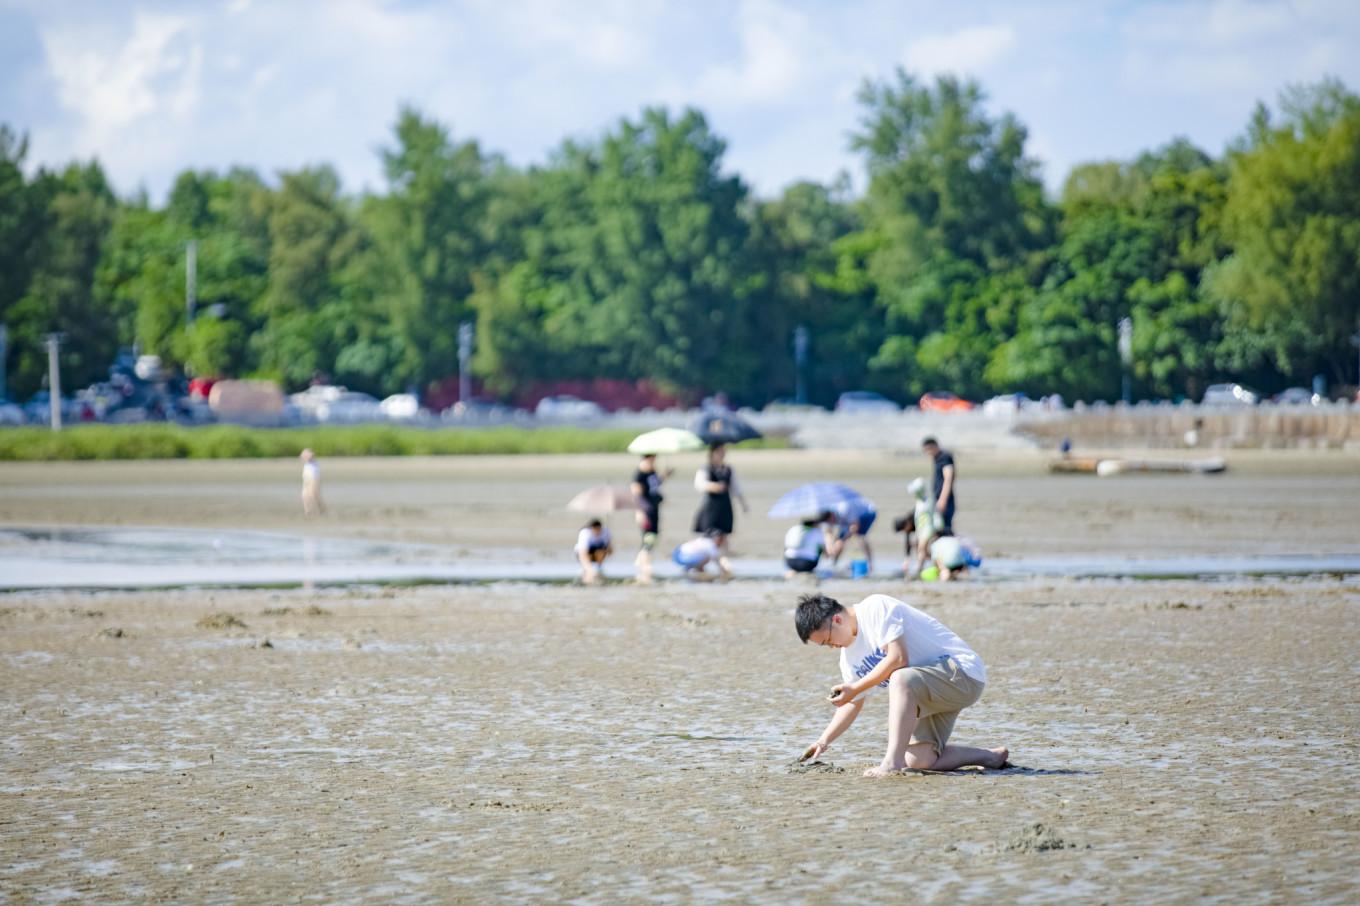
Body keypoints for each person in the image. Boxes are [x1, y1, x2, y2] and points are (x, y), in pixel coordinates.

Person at [794, 592, 1008, 777]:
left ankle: (891, 763)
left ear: (837, 620)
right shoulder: (848, 659)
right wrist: (823, 741)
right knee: (919, 760)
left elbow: (898, 658)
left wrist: (856, 688)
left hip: (961, 673)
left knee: (899, 677)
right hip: (930, 690)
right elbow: (852, 702)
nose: (832, 647)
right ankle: (990, 757)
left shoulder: (874, 608)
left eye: (828, 640)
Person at [630, 453, 673, 585]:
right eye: (652, 460)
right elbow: (636, 494)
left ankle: (641, 561)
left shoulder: (652, 472)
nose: (653, 462)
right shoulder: (639, 474)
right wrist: (639, 512)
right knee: (649, 536)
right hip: (645, 510)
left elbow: (655, 485)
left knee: (654, 535)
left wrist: (665, 475)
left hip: (654, 509)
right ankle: (644, 563)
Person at [693, 444, 749, 538]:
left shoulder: (728, 469)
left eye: (723, 452)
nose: (722, 454)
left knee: (723, 535)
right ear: (712, 453)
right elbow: (699, 484)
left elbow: (736, 488)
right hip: (710, 506)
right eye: (719, 452)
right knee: (708, 534)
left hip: (725, 506)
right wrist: (714, 486)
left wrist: (743, 504)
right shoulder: (706, 468)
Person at [825, 497, 877, 574]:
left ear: (832, 516)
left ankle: (870, 564)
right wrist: (830, 547)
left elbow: (855, 527)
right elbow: (828, 532)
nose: (832, 523)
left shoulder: (844, 510)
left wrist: (842, 540)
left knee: (860, 536)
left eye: (832, 521)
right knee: (839, 539)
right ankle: (833, 562)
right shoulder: (827, 515)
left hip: (867, 512)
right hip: (849, 517)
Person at [921, 437, 957, 534]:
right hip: (938, 498)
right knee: (938, 528)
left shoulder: (944, 457)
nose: (927, 453)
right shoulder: (937, 458)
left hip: (945, 499)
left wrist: (943, 500)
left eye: (928, 450)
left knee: (945, 529)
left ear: (933, 446)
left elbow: (948, 478)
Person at [574, 519, 613, 585]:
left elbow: (610, 549)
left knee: (600, 551)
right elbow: (582, 553)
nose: (597, 532)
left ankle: (597, 570)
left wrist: (606, 552)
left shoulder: (606, 532)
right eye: (595, 530)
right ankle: (587, 576)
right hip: (582, 553)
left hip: (598, 553)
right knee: (589, 571)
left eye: (599, 530)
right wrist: (589, 569)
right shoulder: (585, 533)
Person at [299, 448, 323, 517]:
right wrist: (303, 455)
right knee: (304, 495)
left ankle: (321, 508)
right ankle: (307, 511)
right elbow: (301, 458)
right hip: (306, 477)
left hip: (314, 477)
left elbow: (310, 456)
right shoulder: (306, 462)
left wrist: (307, 454)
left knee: (313, 494)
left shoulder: (313, 459)